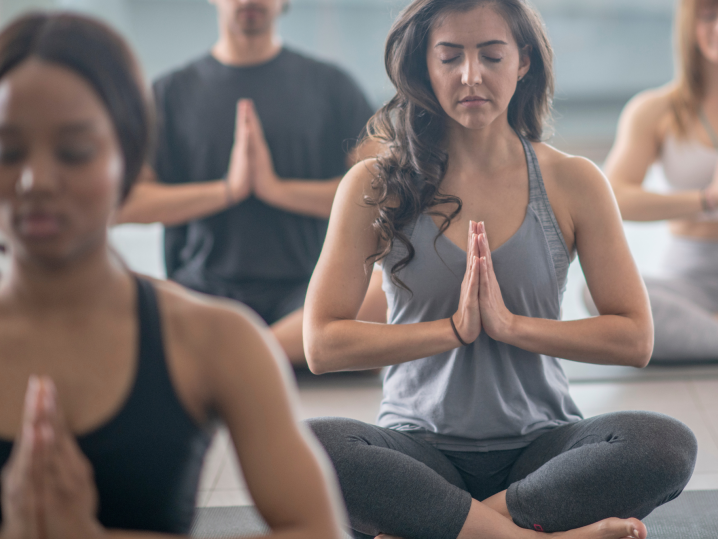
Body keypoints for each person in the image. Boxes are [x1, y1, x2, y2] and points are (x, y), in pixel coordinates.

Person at [302, 0, 698, 538]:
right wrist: (452, 331)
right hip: (419, 452)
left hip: (540, 453)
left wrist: (512, 327)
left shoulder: (573, 182)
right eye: (450, 58)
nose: (471, 76)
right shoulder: (375, 185)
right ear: (424, 65)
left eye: (491, 55)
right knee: (307, 448)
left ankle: (450, 527)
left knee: (665, 445)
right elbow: (321, 345)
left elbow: (634, 337)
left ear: (524, 61)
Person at [0, 12, 346, 538]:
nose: (36, 181)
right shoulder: (179, 90)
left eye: (74, 152)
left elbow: (319, 529)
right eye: (8, 152)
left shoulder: (218, 340)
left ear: (128, 155)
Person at [113, 0, 386, 366]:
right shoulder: (169, 93)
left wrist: (277, 190)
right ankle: (268, 352)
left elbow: (384, 191)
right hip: (202, 295)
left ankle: (247, 352)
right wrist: (229, 190)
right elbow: (123, 204)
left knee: (384, 291)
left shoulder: (332, 86)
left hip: (306, 296)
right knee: (108, 291)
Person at [587, 0, 718, 362]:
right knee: (596, 295)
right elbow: (614, 197)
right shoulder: (655, 110)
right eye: (709, 15)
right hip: (686, 281)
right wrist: (706, 199)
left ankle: (703, 337)